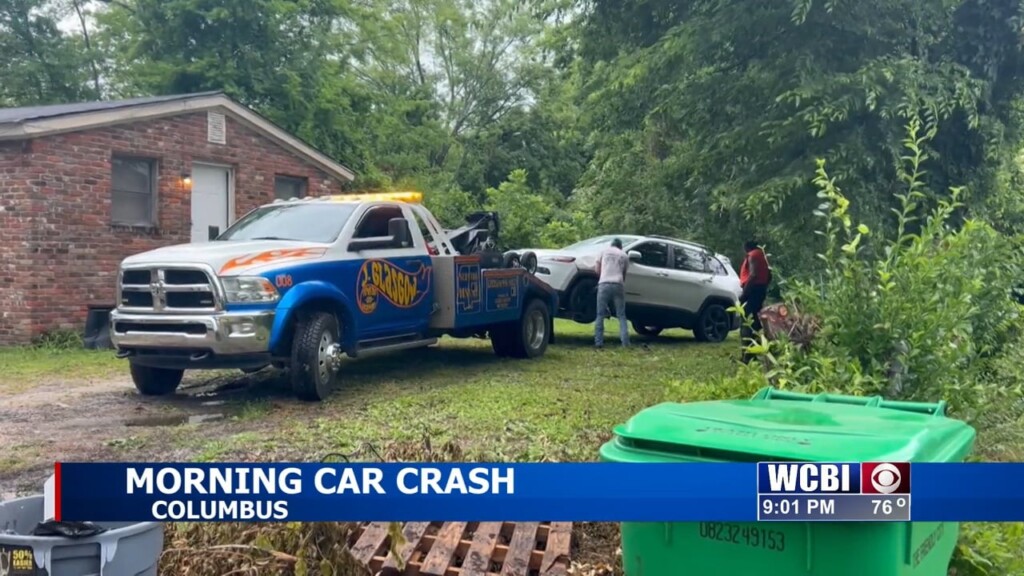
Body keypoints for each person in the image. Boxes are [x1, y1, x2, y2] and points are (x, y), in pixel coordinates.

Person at [739, 239, 771, 363]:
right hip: (760, 290)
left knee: (746, 322)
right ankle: (757, 352)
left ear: (747, 248)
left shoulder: (752, 256)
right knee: (757, 323)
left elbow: (752, 275)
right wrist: (763, 287)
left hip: (752, 290)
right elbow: (769, 274)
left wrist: (744, 294)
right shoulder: (762, 256)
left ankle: (747, 356)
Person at [594, 238, 630, 348]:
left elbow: (596, 269)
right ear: (620, 246)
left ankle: (599, 343)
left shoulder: (603, 252)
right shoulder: (624, 255)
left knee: (600, 315)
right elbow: (624, 274)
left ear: (611, 245)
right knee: (621, 315)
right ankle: (625, 343)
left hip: (604, 283)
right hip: (618, 284)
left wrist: (602, 276)